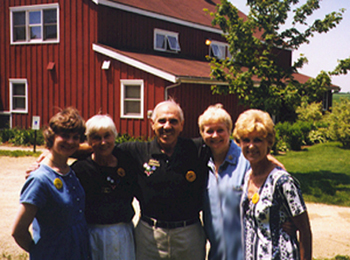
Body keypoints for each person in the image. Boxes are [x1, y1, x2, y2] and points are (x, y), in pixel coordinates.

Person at [119, 99, 207, 260]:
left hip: (189, 235)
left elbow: (227, 146)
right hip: (149, 235)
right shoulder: (137, 151)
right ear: (152, 124)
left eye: (173, 121)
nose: (167, 126)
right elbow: (102, 148)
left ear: (182, 125)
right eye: (162, 121)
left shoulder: (197, 149)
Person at [12, 107, 91, 259]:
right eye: (65, 136)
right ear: (52, 136)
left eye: (75, 137)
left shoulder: (69, 171)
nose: (71, 141)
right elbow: (18, 231)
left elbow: (97, 148)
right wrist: (40, 251)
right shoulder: (40, 179)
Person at [233, 109, 312, 260]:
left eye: (257, 140)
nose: (251, 146)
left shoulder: (283, 182)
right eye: (246, 140)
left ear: (269, 142)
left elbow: (305, 230)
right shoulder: (248, 176)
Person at [71, 115, 136, 260]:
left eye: (107, 136)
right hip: (93, 233)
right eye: (96, 137)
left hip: (123, 232)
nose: (103, 142)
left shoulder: (127, 161)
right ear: (88, 141)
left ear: (115, 136)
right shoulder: (80, 169)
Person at [197, 104, 250, 260]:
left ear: (229, 131)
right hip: (217, 253)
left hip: (247, 253)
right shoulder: (199, 164)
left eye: (220, 130)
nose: (215, 136)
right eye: (209, 131)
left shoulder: (246, 162)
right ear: (202, 133)